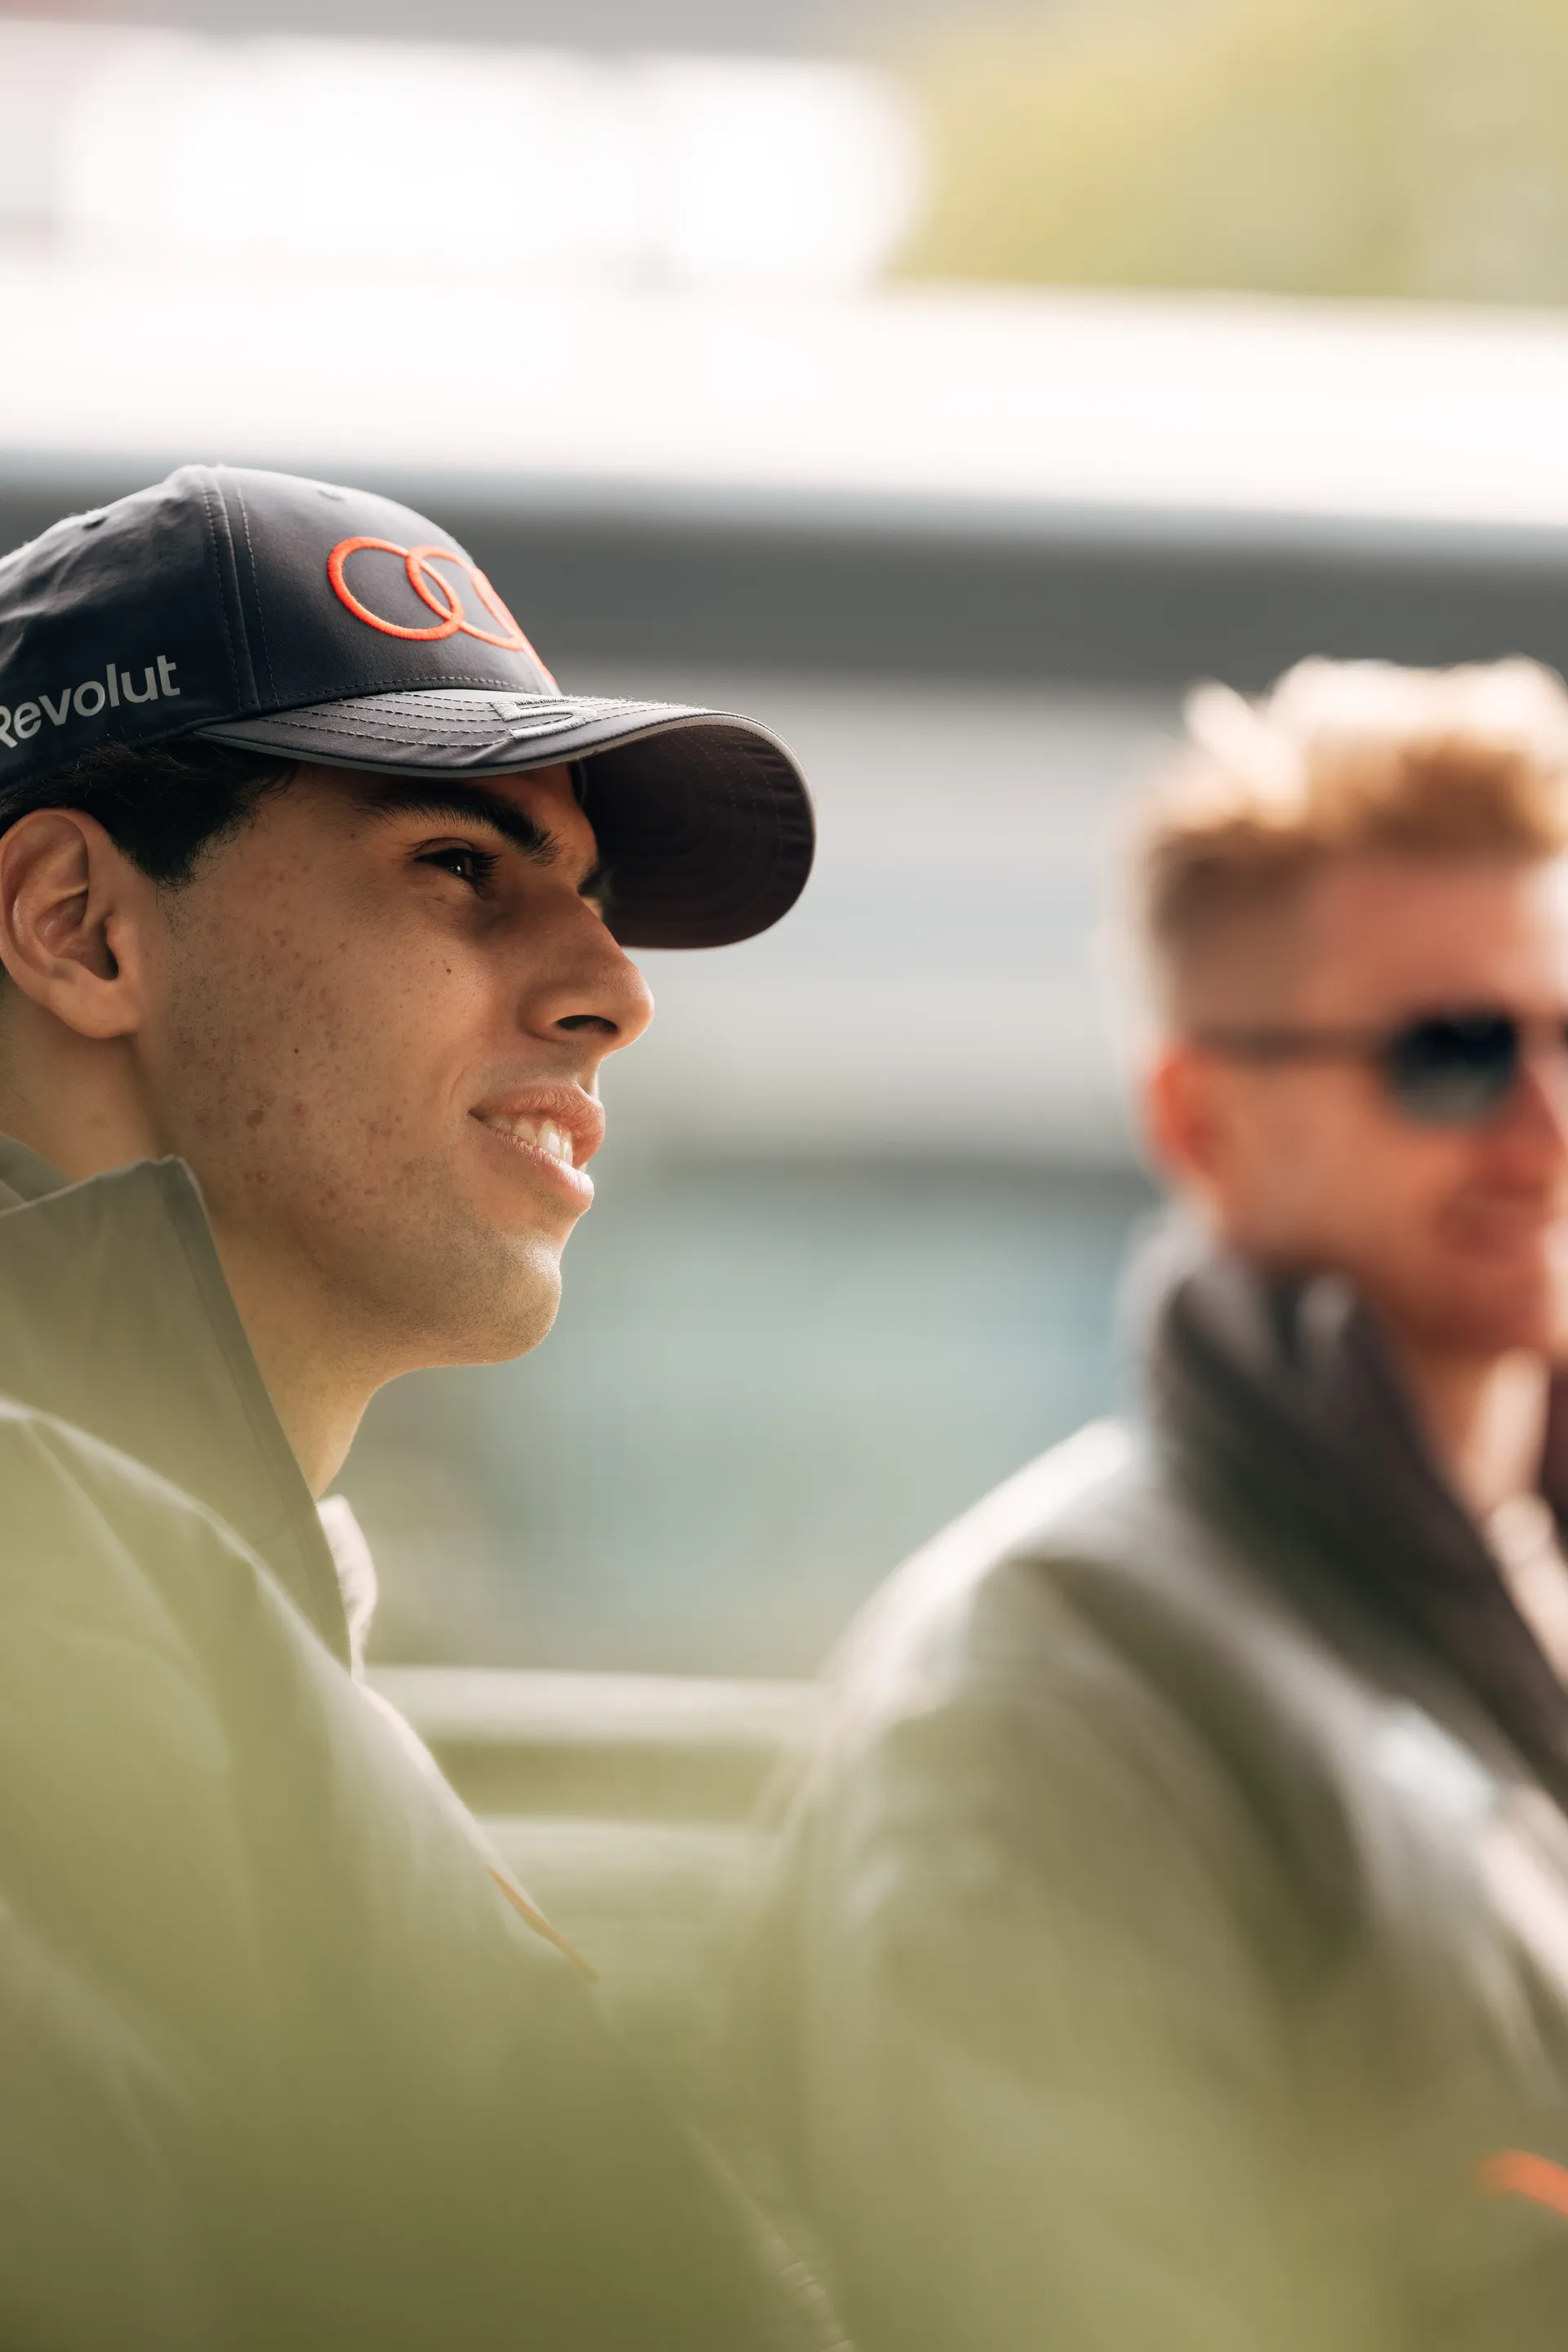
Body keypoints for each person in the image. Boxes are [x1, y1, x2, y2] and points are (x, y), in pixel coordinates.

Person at [0, 464, 829, 2350]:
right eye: (461, 865)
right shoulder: (49, 1596)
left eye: (592, 897)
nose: (613, 989)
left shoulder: (177, 1602)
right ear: (79, 926)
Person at [742, 656, 1568, 2352]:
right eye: (1455, 1053)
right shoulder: (1034, 1696)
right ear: (1203, 1120)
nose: (1548, 1122)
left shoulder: (1519, 1587)